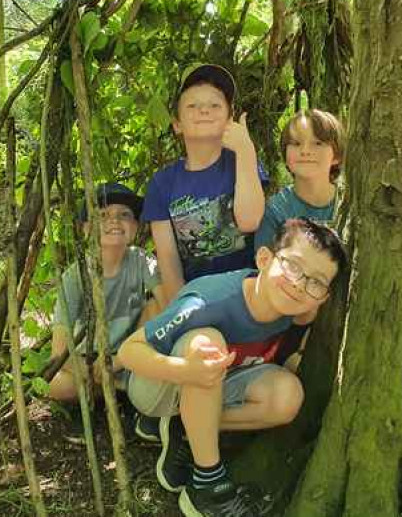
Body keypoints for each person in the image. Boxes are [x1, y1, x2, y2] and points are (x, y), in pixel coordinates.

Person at [117, 218, 348, 517]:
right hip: (158, 386)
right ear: (264, 259)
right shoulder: (209, 302)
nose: (299, 284)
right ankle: (208, 485)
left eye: (315, 281)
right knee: (207, 343)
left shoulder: (293, 311)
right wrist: (186, 371)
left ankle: (185, 428)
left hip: (209, 387)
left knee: (287, 396)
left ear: (324, 296)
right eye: (292, 266)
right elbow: (129, 351)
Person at [49, 182, 167, 440]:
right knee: (57, 383)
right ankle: (111, 393)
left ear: (135, 228)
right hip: (86, 363)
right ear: (86, 228)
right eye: (102, 215)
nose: (114, 220)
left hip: (129, 357)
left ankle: (122, 390)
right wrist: (96, 371)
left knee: (156, 305)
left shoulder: (142, 263)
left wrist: (117, 363)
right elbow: (58, 351)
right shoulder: (76, 276)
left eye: (124, 214)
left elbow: (167, 305)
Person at [142, 64, 267, 300]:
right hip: (196, 298)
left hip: (249, 292)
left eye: (215, 105)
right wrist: (181, 311)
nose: (204, 111)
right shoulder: (162, 183)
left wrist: (246, 150)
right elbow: (168, 260)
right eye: (192, 106)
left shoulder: (241, 161)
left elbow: (250, 221)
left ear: (230, 119)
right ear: (177, 124)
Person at [254, 109, 344, 250]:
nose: (305, 151)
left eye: (318, 143)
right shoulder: (276, 210)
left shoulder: (350, 203)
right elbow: (266, 264)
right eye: (296, 144)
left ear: (336, 155)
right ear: (285, 156)